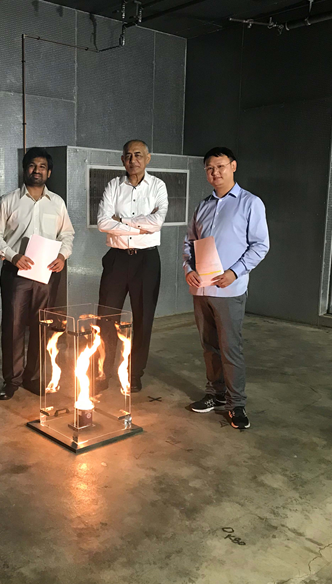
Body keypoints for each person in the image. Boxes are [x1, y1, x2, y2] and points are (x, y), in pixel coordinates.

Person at [183, 146, 269, 429]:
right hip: (202, 289)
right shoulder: (203, 206)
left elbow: (260, 245)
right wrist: (188, 270)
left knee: (230, 347)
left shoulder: (250, 203)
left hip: (229, 290)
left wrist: (235, 272)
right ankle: (215, 394)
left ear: (233, 166)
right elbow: (189, 243)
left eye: (220, 166)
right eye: (209, 168)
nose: (215, 172)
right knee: (209, 346)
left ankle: (236, 403)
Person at [0, 147, 75, 400]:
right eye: (32, 165)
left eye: (42, 167)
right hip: (16, 272)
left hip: (46, 274)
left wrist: (62, 256)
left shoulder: (57, 202)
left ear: (49, 173)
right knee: (13, 327)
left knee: (41, 327)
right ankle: (12, 380)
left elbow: (67, 234)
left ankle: (32, 377)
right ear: (25, 169)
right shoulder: (8, 201)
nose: (37, 170)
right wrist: (12, 255)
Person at [97, 140, 168, 392]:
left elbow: (157, 222)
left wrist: (123, 220)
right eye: (128, 155)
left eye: (138, 155)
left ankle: (134, 373)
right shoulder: (113, 186)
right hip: (117, 259)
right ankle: (102, 372)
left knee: (143, 319)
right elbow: (103, 222)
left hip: (146, 260)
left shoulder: (158, 186)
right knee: (106, 317)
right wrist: (140, 226)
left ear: (148, 158)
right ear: (122, 160)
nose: (133, 160)